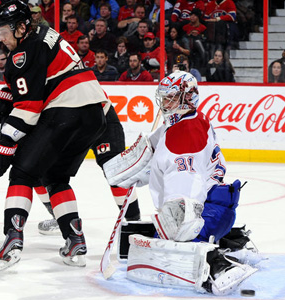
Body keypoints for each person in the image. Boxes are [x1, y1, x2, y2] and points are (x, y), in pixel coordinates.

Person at [103, 71, 259, 296]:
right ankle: (233, 242)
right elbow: (154, 149)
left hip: (206, 213)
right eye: (164, 97)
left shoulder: (184, 139)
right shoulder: (184, 121)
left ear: (188, 97)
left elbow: (184, 206)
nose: (165, 103)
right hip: (215, 205)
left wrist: (174, 232)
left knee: (169, 240)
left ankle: (220, 266)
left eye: (171, 97)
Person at [0, 0, 109, 271]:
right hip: (94, 114)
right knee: (54, 177)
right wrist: (10, 95)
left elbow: (29, 108)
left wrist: (2, 145)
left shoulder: (22, 52)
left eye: (4, 31)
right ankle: (75, 241)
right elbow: (39, 80)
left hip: (66, 111)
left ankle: (12, 241)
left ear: (21, 27)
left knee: (21, 174)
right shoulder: (44, 33)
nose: (1, 38)